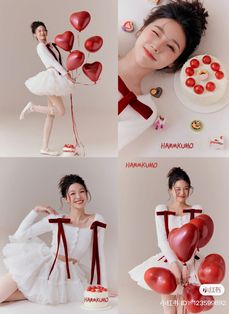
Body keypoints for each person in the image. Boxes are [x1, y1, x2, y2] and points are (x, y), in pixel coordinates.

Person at [0, 174, 107, 305]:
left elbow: (98, 256)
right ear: (66, 199)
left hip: (66, 276)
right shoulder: (56, 219)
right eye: (72, 194)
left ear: (87, 193)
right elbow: (19, 235)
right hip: (41, 265)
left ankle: (30, 293)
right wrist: (35, 211)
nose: (78, 197)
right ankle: (29, 291)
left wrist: (103, 288)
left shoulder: (97, 220)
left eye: (82, 191)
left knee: (37, 295)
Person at [118, 0, 208, 149]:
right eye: (155, 33)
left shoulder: (143, 111)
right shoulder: (97, 51)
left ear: (173, 62)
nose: (157, 46)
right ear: (142, 29)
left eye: (171, 47)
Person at [129, 167, 204, 314]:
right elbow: (162, 241)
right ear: (170, 190)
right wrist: (175, 266)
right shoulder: (161, 210)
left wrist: (186, 266)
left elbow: (196, 241)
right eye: (178, 189)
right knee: (169, 307)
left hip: (190, 261)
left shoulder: (196, 210)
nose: (182, 193)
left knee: (186, 308)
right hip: (168, 260)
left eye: (186, 189)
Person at [19, 21, 75, 156]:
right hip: (52, 78)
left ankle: (44, 147)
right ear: (35, 35)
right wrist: (66, 75)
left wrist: (66, 71)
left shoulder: (49, 46)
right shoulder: (41, 47)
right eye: (39, 31)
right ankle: (32, 107)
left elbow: (59, 61)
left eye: (44, 30)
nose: (42, 33)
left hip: (55, 77)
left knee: (50, 115)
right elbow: (53, 63)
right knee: (61, 112)